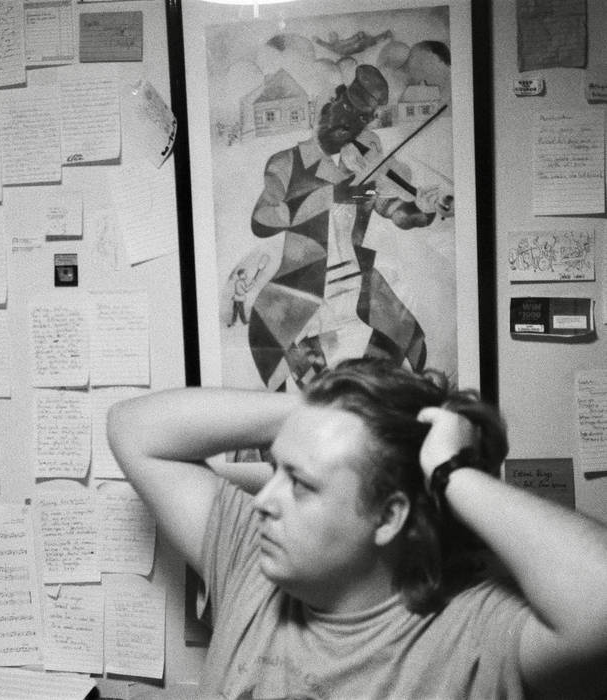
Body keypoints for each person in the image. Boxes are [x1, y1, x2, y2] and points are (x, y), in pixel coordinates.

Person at [107, 358, 607, 699]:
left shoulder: (472, 637)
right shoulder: (250, 561)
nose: (262, 500)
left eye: (301, 484)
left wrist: (452, 474)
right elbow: (132, 429)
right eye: (276, 469)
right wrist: (317, 414)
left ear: (388, 518)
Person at [248, 64, 452, 392]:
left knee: (402, 357)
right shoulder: (285, 162)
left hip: (359, 282)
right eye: (345, 113)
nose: (349, 126)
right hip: (303, 287)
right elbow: (261, 220)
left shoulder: (364, 162)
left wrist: (424, 210)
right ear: (330, 104)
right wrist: (326, 195)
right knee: (311, 389)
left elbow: (395, 211)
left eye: (360, 120)